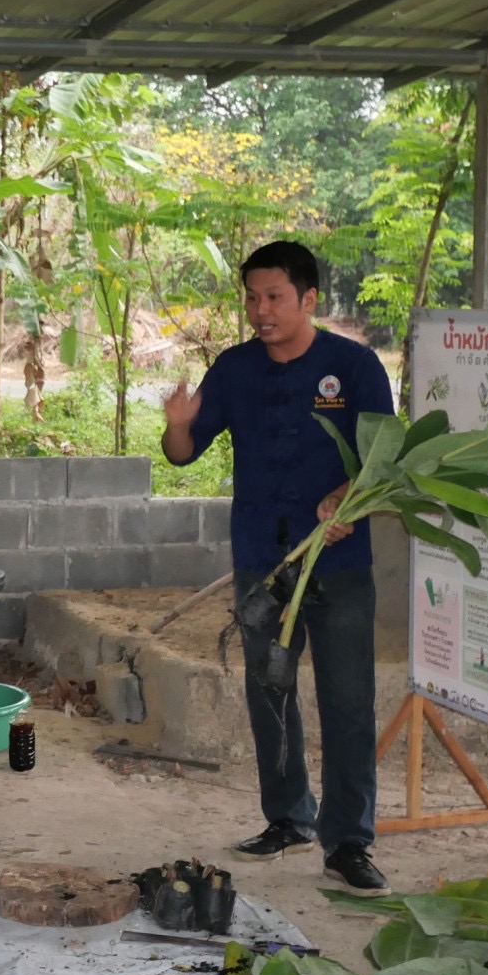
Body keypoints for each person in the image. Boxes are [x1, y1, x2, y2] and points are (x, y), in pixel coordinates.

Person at [160, 239, 395, 893]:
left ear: (309, 299)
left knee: (348, 701)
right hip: (262, 560)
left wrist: (349, 499)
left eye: (274, 297)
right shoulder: (234, 369)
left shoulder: (353, 366)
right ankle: (289, 816)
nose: (260, 310)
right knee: (270, 692)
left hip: (339, 563)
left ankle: (348, 841)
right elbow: (182, 453)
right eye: (252, 298)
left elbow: (383, 460)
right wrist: (178, 423)